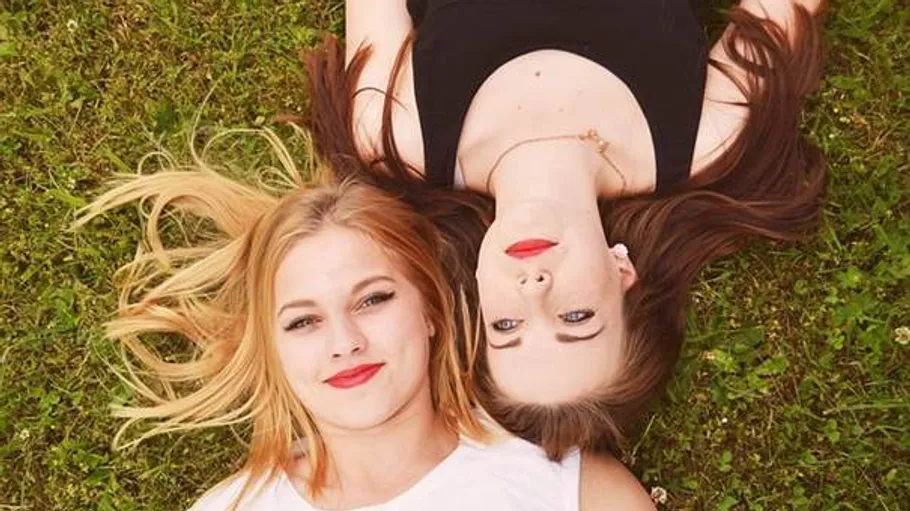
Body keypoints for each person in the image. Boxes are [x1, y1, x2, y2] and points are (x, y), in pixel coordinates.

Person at [294, 0, 829, 458]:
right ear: (624, 273)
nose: (534, 290)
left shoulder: (392, 139)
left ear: (477, 298)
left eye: (507, 327)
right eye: (576, 317)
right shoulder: (706, 142)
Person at [75, 130, 656, 510]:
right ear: (272, 348)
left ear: (430, 309)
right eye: (303, 323)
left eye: (372, 300)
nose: (345, 343)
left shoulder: (573, 494)